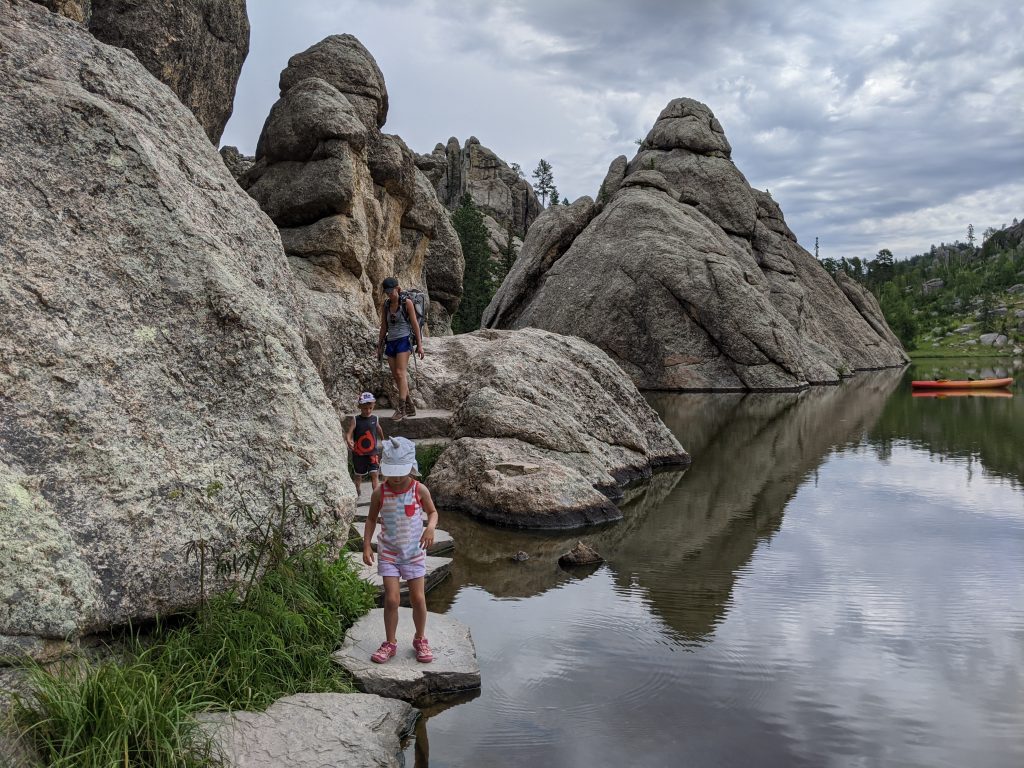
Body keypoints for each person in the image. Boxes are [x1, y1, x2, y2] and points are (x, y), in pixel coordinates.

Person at [362, 437, 439, 664]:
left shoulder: (419, 489)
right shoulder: (381, 492)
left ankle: (420, 638)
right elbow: (371, 519)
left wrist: (430, 528)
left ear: (411, 468)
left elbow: (433, 513)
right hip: (389, 553)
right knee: (392, 599)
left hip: (413, 553)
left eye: (401, 473)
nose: (395, 478)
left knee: (417, 598)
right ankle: (390, 642)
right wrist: (367, 545)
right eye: (391, 472)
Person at [377, 277, 424, 421]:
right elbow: (384, 327)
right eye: (387, 292)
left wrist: (420, 346)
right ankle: (410, 405)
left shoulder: (407, 303)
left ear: (398, 289)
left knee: (400, 372)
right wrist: (379, 346)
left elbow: (415, 324)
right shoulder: (386, 305)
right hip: (391, 342)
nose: (389, 294)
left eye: (391, 291)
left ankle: (401, 408)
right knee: (397, 376)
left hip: (404, 340)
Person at [346, 392, 385, 497]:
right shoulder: (356, 419)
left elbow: (379, 429)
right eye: (365, 408)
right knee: (358, 475)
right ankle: (357, 490)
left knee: (374, 474)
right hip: (359, 454)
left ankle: (376, 496)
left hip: (372, 453)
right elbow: (349, 432)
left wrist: (383, 440)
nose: (368, 411)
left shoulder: (375, 419)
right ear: (360, 407)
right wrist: (349, 440)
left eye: (370, 408)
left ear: (373, 406)